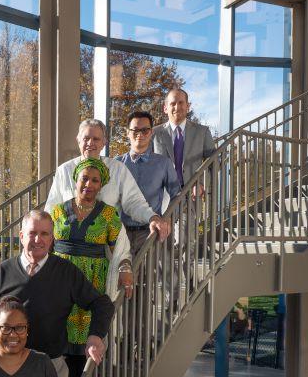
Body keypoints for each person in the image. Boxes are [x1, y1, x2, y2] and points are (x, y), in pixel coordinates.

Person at [0, 210, 115, 377]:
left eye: (44, 234)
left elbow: (102, 304)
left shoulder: (66, 272)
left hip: (49, 369)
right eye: (32, 233)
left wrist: (95, 336)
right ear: (21, 236)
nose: (38, 240)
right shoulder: (3, 271)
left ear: (52, 239)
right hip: (6, 366)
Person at [48, 157, 131, 377]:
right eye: (85, 178)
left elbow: (122, 248)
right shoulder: (56, 211)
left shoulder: (108, 215)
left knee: (81, 349)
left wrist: (125, 268)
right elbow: (44, 243)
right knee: (55, 342)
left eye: (95, 180)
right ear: (76, 179)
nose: (89, 184)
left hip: (90, 288)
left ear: (101, 185)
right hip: (59, 284)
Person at [45, 119, 171, 242]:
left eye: (96, 139)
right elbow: (52, 208)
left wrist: (152, 217)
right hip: (69, 245)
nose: (90, 143)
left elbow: (134, 201)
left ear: (104, 143)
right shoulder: (64, 170)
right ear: (78, 140)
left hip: (106, 247)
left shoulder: (117, 169)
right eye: (86, 138)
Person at [115, 111, 181, 257]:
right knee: (123, 277)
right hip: (120, 233)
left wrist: (168, 218)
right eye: (135, 130)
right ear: (127, 133)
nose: (140, 134)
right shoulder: (117, 163)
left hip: (150, 232)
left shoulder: (163, 163)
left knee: (156, 278)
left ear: (151, 132)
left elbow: (177, 195)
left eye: (145, 130)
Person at [152, 88, 216, 190]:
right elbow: (146, 164)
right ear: (165, 108)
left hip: (193, 195)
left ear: (188, 106)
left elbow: (214, 161)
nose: (177, 107)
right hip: (162, 196)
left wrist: (202, 183)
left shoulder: (202, 132)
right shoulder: (154, 133)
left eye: (181, 103)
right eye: (172, 104)